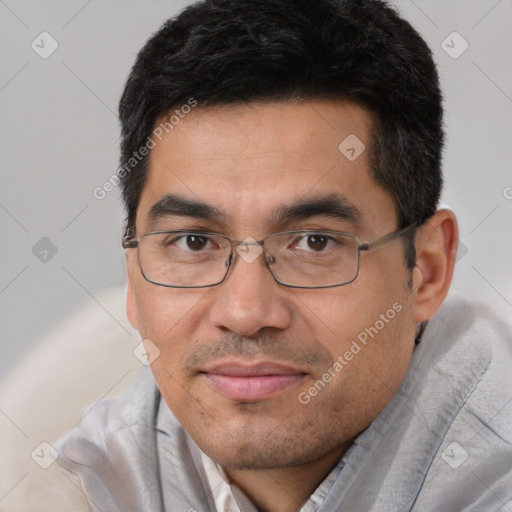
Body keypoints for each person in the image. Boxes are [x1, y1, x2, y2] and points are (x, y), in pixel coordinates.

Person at [54, 0, 512, 510]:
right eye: (193, 242)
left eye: (314, 242)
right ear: (134, 276)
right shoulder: (62, 483)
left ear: (426, 271)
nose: (245, 313)